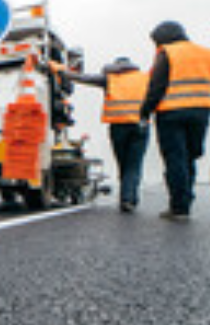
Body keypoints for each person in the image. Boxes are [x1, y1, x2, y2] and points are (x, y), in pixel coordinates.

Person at [140, 21, 210, 221]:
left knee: (175, 158)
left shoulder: (166, 53)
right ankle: (186, 199)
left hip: (171, 113)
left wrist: (145, 112)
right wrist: (206, 107)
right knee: (190, 156)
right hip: (201, 111)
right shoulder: (208, 54)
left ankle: (179, 206)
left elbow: (156, 87)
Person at [64, 57, 150, 212]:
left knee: (123, 163)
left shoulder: (109, 78)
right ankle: (129, 198)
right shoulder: (144, 78)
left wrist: (60, 71)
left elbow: (83, 78)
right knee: (134, 164)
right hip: (140, 125)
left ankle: (127, 197)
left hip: (118, 126)